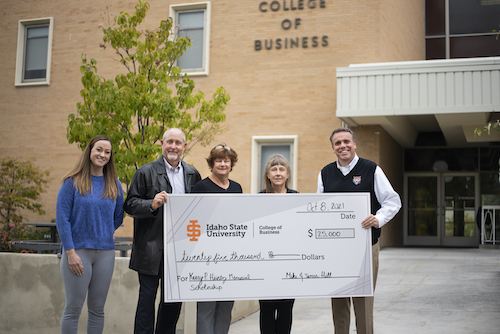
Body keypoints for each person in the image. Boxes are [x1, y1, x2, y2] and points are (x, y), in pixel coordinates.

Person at [317, 127, 401, 334]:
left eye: (346, 141)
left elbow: (393, 201)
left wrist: (378, 218)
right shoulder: (325, 173)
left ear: (354, 144)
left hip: (366, 246)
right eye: (338, 143)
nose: (343, 146)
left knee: (363, 300)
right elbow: (319, 207)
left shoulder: (371, 169)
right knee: (338, 300)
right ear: (333, 148)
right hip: (336, 250)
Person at [124, 128, 201, 334]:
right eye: (170, 142)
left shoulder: (193, 174)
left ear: (184, 146)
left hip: (179, 251)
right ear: (162, 144)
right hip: (150, 249)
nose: (173, 146)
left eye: (178, 143)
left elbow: (200, 210)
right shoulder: (145, 171)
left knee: (173, 304)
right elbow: (130, 204)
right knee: (146, 302)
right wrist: (151, 204)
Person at [56, 134, 124, 334]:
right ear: (90, 151)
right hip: (77, 253)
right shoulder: (71, 183)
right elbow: (62, 219)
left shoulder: (114, 184)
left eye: (107, 152)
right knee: (73, 309)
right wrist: (70, 252)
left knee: (97, 310)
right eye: (99, 150)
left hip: (105, 254)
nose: (103, 154)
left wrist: (103, 233)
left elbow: (119, 215)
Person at [191, 144, 242, 334]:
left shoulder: (237, 188)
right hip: (206, 258)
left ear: (231, 164)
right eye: (218, 160)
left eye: (226, 161)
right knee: (206, 309)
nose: (222, 164)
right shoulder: (201, 187)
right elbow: (193, 222)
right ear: (212, 164)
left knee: (225, 309)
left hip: (230, 257)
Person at [258, 154, 297, 334]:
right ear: (267, 174)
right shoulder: (258, 198)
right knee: (266, 310)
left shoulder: (296, 197)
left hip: (289, 262)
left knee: (286, 310)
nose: (278, 173)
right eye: (274, 169)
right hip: (265, 264)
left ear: (288, 174)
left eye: (282, 169)